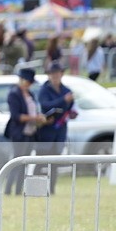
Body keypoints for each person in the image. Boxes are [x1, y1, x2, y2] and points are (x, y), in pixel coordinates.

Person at [36, 61, 77, 194]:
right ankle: (35, 188)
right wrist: (63, 100)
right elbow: (45, 105)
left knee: (55, 162)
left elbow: (70, 107)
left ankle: (51, 189)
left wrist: (71, 112)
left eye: (57, 73)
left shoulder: (66, 90)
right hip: (46, 131)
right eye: (52, 73)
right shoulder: (44, 90)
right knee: (41, 161)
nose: (55, 76)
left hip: (60, 131)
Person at [3, 68, 45, 196]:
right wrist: (34, 118)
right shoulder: (14, 94)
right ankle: (8, 189)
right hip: (19, 133)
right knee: (16, 162)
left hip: (31, 132)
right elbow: (16, 116)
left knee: (25, 163)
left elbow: (34, 110)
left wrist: (39, 118)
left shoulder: (31, 94)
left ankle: (18, 190)